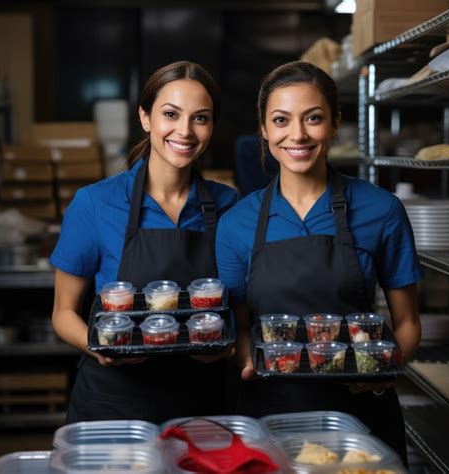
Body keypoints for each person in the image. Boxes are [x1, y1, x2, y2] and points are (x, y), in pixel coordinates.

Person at [215, 61, 422, 466]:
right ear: (263, 128)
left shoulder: (381, 210)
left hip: (361, 419)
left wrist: (384, 370)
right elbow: (239, 328)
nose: (297, 134)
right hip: (269, 414)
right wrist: (248, 362)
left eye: (313, 118)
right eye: (281, 120)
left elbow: (408, 323)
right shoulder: (237, 224)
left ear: (335, 123)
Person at [51, 61, 240, 424]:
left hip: (203, 404)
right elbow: (63, 314)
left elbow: (240, 312)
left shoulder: (229, 206)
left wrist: (227, 345)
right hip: (114, 404)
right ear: (145, 117)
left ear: (212, 125)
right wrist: (99, 346)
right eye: (171, 114)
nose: (184, 131)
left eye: (200, 118)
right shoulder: (95, 203)